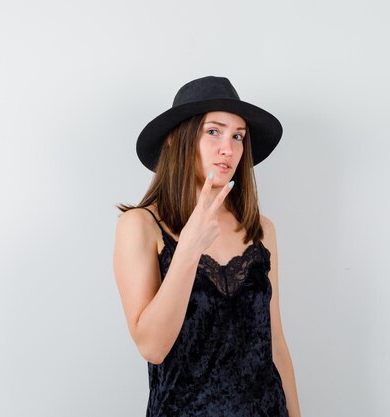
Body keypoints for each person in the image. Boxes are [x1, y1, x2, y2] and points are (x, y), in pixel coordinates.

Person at [113, 76, 301, 417]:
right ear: (175, 139)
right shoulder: (140, 226)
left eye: (238, 136)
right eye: (213, 131)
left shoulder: (261, 229)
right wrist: (188, 247)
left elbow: (276, 345)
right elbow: (153, 347)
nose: (228, 148)